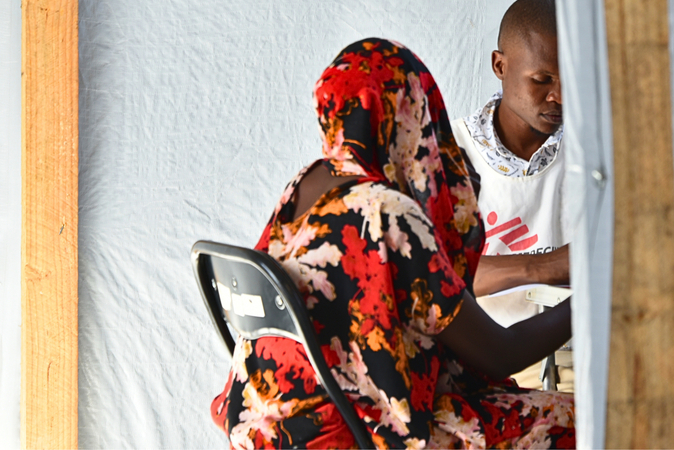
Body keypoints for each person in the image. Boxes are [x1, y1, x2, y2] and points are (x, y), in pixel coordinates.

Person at [210, 38, 574, 449]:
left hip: (272, 424)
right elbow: (501, 354)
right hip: (365, 429)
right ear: (406, 113)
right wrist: (593, 296)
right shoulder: (383, 210)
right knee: (583, 419)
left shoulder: (303, 185)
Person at [451, 0, 573, 390]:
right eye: (542, 80)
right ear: (500, 66)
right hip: (483, 367)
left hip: (583, 360)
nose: (559, 96)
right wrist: (548, 265)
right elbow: (434, 277)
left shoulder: (596, 151)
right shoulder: (447, 154)